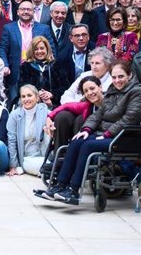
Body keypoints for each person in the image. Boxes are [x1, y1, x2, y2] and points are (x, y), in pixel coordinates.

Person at [37, 60, 141, 205]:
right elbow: (98, 115)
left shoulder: (136, 92)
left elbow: (129, 119)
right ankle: (60, 186)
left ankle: (74, 190)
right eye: (114, 77)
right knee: (77, 140)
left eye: (121, 76)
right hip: (109, 135)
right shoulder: (112, 90)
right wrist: (86, 130)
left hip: (125, 137)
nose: (117, 80)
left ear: (129, 75)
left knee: (88, 146)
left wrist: (107, 134)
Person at [0, 0, 56, 107]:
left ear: (33, 12)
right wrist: (5, 65)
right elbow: (2, 48)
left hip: (37, 74)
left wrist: (51, 67)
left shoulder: (43, 28)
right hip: (14, 72)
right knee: (16, 104)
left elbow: (51, 49)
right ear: (18, 12)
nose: (25, 12)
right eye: (23, 9)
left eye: (29, 9)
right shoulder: (9, 28)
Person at [44, 75, 105, 152]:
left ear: (100, 87)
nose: (89, 93)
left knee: (80, 120)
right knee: (62, 116)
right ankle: (60, 155)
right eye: (86, 91)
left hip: (104, 134)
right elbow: (66, 106)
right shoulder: (87, 105)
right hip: (88, 133)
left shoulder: (111, 100)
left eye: (92, 88)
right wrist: (49, 117)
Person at [6, 84, 50, 177]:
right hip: (27, 158)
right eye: (23, 96)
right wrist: (13, 165)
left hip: (44, 155)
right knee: (46, 168)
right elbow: (12, 142)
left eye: (29, 95)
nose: (26, 99)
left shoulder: (45, 111)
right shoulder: (14, 115)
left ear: (37, 97)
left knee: (48, 129)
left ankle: (50, 167)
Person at [18, 36, 68, 107]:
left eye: (42, 48)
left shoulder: (57, 65)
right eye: (36, 49)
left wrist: (52, 94)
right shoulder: (25, 66)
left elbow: (65, 87)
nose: (39, 51)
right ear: (32, 51)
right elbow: (21, 87)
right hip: (31, 104)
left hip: (54, 104)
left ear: (47, 49)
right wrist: (37, 93)